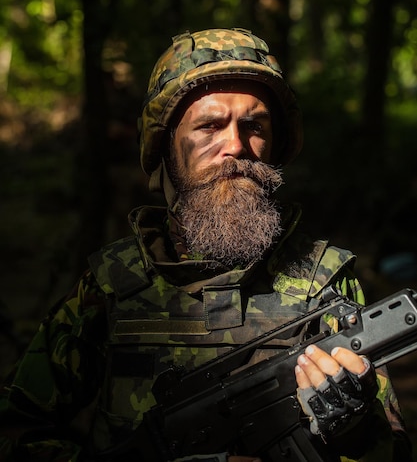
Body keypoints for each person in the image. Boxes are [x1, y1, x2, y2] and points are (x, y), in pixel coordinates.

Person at [0, 28, 412, 461]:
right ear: (165, 146)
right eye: (209, 126)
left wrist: (355, 430)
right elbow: (13, 432)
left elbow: (393, 450)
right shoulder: (109, 288)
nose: (235, 146)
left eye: (254, 125)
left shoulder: (324, 282)